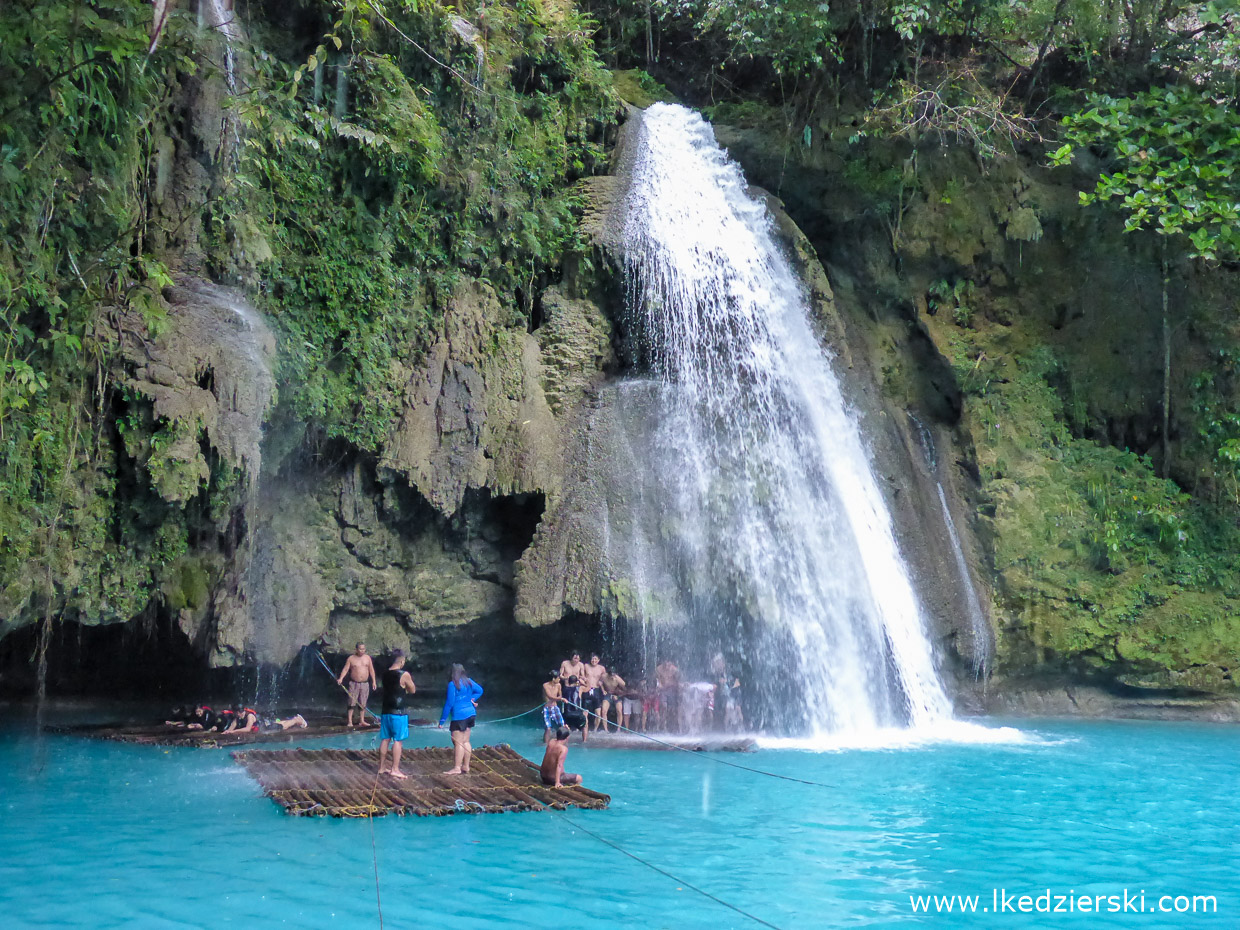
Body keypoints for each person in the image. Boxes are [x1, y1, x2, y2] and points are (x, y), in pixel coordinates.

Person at [378, 650, 418, 779]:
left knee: (385, 739)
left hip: (385, 711)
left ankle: (382, 767)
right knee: (398, 740)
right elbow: (413, 690)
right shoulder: (404, 674)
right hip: (399, 712)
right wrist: (406, 687)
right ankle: (395, 769)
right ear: (401, 661)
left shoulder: (385, 674)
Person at [438, 663, 483, 775]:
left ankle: (457, 768)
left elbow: (449, 703)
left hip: (459, 716)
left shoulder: (453, 684)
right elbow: (480, 690)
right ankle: (466, 766)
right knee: (466, 741)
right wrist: (472, 699)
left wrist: (442, 720)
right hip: (471, 714)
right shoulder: (469, 681)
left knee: (457, 742)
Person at [337, 642, 377, 728]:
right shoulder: (351, 658)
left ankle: (362, 720)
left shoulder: (367, 658)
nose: (362, 651)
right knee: (352, 702)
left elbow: (371, 670)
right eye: (360, 649)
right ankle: (350, 721)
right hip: (354, 683)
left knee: (363, 702)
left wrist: (374, 681)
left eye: (363, 649)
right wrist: (341, 678)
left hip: (365, 683)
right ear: (356, 649)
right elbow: (346, 669)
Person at [580, 654, 606, 731]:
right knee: (585, 712)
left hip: (596, 689)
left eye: (595, 659)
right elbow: (581, 675)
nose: (594, 661)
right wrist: (584, 680)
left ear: (598, 660)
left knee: (598, 713)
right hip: (587, 689)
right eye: (592, 659)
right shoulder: (586, 666)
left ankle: (595, 729)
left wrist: (601, 683)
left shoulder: (602, 668)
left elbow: (604, 678)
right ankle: (585, 728)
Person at [655, 659, 681, 731]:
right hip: (663, 690)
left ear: (671, 663)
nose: (666, 666)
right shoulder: (658, 669)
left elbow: (678, 681)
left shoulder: (675, 670)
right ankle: (662, 724)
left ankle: (673, 725)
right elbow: (657, 679)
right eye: (665, 664)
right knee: (664, 706)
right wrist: (660, 685)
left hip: (672, 691)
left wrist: (673, 685)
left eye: (668, 664)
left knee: (672, 709)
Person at [561, 674, 588, 741]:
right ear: (577, 682)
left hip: (567, 714)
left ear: (569, 682)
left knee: (566, 727)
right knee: (585, 725)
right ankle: (584, 741)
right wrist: (584, 681)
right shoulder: (580, 688)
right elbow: (588, 687)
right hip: (578, 714)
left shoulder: (563, 689)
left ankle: (565, 741)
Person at [599, 667, 627, 734]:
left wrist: (618, 693)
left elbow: (624, 686)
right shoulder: (604, 676)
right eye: (610, 675)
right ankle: (605, 729)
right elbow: (600, 683)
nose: (611, 676)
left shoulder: (617, 678)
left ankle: (618, 729)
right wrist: (603, 690)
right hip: (607, 694)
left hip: (616, 694)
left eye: (613, 675)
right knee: (604, 711)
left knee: (619, 710)